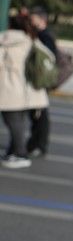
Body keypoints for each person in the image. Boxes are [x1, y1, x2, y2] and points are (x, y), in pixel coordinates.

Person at [0, 14, 48, 168]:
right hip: (26, 90)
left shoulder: (6, 40)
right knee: (18, 122)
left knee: (13, 123)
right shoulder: (31, 40)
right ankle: (13, 152)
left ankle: (20, 154)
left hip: (9, 88)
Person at [27, 6, 55, 158]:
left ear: (41, 19)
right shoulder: (42, 34)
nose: (31, 22)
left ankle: (38, 144)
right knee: (37, 114)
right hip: (40, 80)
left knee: (39, 114)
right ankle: (35, 143)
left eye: (33, 19)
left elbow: (48, 59)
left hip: (40, 80)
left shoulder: (45, 36)